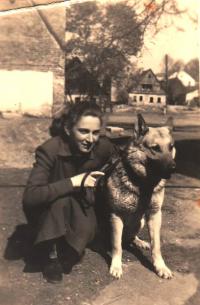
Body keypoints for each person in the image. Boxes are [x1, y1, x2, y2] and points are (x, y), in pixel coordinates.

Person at [22, 101, 114, 283]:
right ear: (67, 128)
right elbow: (31, 196)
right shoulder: (50, 149)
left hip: (81, 207)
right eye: (83, 131)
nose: (90, 139)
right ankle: (51, 256)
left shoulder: (102, 147)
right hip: (49, 211)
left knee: (76, 250)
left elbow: (124, 155)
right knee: (60, 202)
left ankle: (73, 243)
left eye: (95, 132)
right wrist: (74, 182)